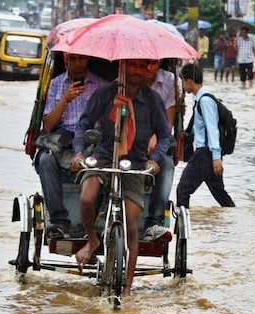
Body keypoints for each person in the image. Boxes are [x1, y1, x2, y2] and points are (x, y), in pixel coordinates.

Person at [70, 59, 172, 296]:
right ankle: (92, 240)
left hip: (135, 162)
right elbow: (83, 123)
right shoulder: (104, 95)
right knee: (87, 198)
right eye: (130, 66)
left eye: (140, 66)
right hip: (104, 155)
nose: (135, 71)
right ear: (121, 69)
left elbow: (165, 135)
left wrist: (154, 160)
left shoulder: (152, 100)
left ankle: (126, 287)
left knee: (131, 226)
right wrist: (79, 151)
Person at [38, 53, 107, 239]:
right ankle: (59, 221)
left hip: (93, 141)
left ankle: (93, 225)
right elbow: (47, 126)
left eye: (82, 59)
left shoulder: (102, 86)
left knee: (105, 162)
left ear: (88, 60)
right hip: (62, 141)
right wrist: (64, 99)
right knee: (45, 160)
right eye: (73, 59)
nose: (77, 64)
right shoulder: (56, 84)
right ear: (66, 60)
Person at [176, 63, 235, 208]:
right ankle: (234, 223)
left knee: (183, 190)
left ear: (189, 81)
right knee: (220, 194)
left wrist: (216, 156)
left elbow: (212, 129)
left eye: (183, 81)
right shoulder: (201, 100)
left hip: (205, 155)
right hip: (209, 155)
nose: (183, 85)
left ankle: (182, 227)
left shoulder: (205, 101)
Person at [140, 59, 180, 241]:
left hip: (158, 138)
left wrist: (155, 136)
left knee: (167, 164)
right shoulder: (128, 77)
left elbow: (168, 122)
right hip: (129, 140)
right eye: (143, 63)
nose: (148, 68)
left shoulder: (169, 81)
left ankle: (153, 222)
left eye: (153, 63)